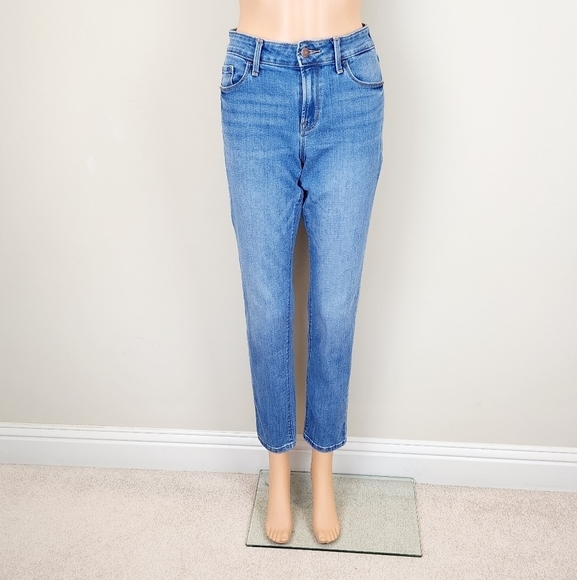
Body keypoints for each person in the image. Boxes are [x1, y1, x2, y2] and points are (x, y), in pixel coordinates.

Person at [219, 0, 384, 544]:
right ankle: (278, 468)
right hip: (255, 83)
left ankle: (323, 470)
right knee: (266, 302)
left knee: (336, 304)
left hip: (348, 81)